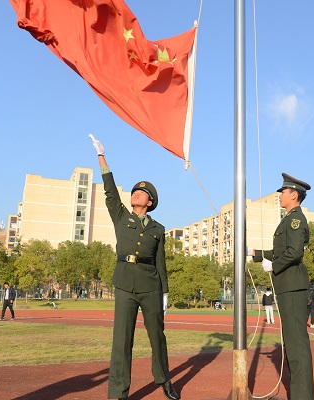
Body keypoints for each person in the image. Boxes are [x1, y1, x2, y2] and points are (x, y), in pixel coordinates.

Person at [90, 134, 179, 400]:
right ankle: (119, 392)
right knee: (122, 341)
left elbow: (160, 263)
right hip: (125, 284)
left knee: (157, 337)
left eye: (141, 192)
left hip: (151, 286)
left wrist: (164, 293)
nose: (135, 193)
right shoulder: (121, 217)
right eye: (134, 191)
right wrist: (102, 159)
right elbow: (110, 193)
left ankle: (164, 381)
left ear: (149, 201)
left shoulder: (158, 229)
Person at [251, 172, 314, 400]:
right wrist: (256, 254)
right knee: (291, 342)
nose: (279, 195)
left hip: (292, 285)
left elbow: (294, 252)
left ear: (294, 195)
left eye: (283, 192)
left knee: (297, 344)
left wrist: (274, 265)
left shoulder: (296, 219)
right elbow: (280, 251)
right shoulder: (287, 219)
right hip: (287, 285)